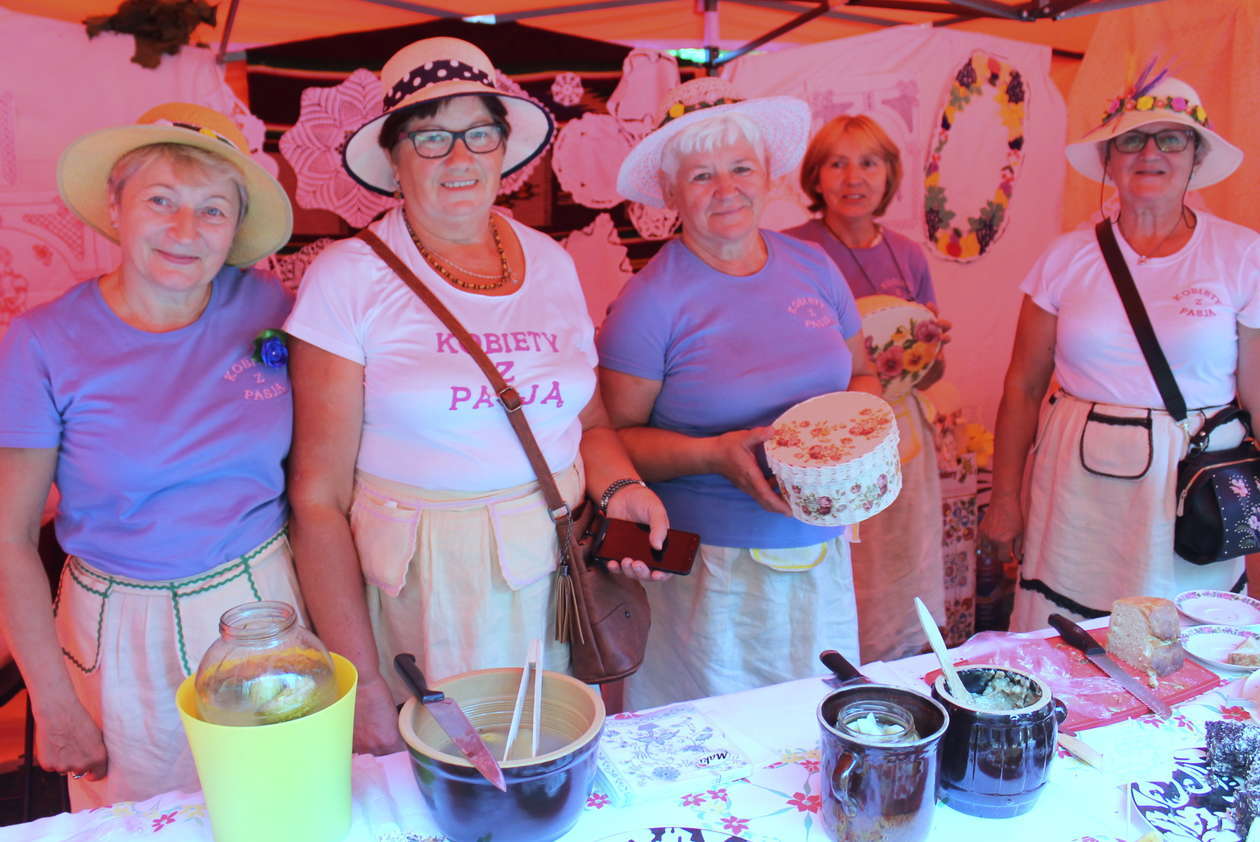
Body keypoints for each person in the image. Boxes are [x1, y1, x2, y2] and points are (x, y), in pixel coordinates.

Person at [284, 36, 667, 755]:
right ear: (394, 160)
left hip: (557, 567)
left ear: (503, 148)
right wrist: (361, 681)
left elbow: (585, 419)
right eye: (430, 137)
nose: (459, 158)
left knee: (553, 758)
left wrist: (622, 488)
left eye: (479, 133)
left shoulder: (551, 261)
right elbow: (317, 498)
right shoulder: (346, 278)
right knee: (451, 770)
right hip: (430, 586)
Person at [0, 102, 296, 808]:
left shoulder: (269, 308)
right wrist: (53, 703)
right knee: (147, 821)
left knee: (280, 807)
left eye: (212, 210)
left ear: (236, 227)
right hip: (122, 622)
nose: (185, 230)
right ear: (116, 206)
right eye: (160, 201)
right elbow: (8, 537)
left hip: (265, 599)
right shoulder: (42, 341)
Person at [597, 78, 882, 710]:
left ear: (770, 176)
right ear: (670, 192)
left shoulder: (814, 265)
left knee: (816, 720)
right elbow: (611, 440)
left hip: (822, 548)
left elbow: (863, 376)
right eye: (701, 176)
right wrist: (713, 453)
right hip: (711, 569)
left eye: (741, 168)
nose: (726, 189)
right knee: (718, 734)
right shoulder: (649, 303)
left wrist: (857, 441)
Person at [979, 72, 1260, 631]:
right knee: (1070, 632)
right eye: (1131, 139)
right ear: (1108, 159)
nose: (1150, 153)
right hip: (1076, 483)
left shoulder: (1241, 254)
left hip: (1191, 485)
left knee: (1182, 634)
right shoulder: (1065, 257)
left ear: (1196, 156)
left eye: (1171, 139)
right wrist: (1004, 497)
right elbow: (1024, 386)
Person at [784, 114, 949, 662]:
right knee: (834, 562)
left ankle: (898, 665)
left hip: (899, 436)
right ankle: (828, 663)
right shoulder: (790, 252)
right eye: (837, 163)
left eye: (869, 163)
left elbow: (931, 375)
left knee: (898, 563)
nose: (854, 178)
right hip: (822, 438)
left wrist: (932, 347)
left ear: (889, 174)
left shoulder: (908, 254)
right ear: (815, 176)